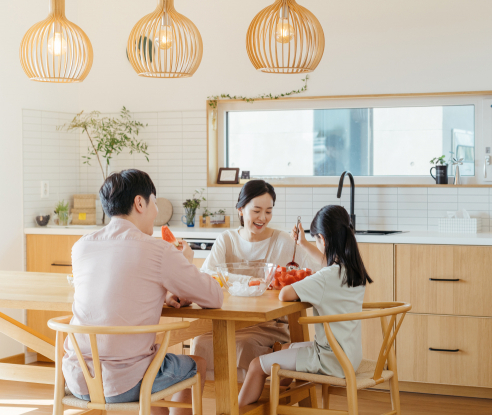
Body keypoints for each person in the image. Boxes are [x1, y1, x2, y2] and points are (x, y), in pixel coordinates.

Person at [63, 169, 223, 415]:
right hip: (124, 383)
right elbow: (214, 297)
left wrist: (165, 294)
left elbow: (120, 289)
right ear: (140, 202)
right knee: (196, 364)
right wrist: (187, 262)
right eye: (154, 203)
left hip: (77, 378)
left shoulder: (81, 246)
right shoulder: (158, 250)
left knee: (153, 360)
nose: (156, 211)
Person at [237, 205, 374, 407]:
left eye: (316, 239)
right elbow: (327, 265)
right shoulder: (352, 271)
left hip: (329, 358)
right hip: (348, 355)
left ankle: (239, 410)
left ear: (323, 239)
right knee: (283, 349)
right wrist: (303, 244)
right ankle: (279, 404)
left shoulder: (326, 277)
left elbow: (285, 294)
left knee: (256, 365)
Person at [193, 180, 321, 381]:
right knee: (200, 342)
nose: (263, 218)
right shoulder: (226, 239)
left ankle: (246, 405)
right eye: (257, 211)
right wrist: (252, 279)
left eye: (268, 212)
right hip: (229, 322)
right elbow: (207, 273)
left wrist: (303, 244)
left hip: (271, 325)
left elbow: (316, 271)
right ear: (241, 209)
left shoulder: (282, 241)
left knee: (244, 345)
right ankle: (222, 404)